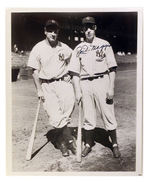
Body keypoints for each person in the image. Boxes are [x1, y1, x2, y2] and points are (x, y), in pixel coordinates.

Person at [69, 16, 121, 158]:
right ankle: (88, 144)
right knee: (88, 117)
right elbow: (74, 72)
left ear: (95, 28)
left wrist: (111, 88)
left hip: (102, 81)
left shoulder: (104, 44)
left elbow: (112, 68)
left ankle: (114, 144)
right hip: (85, 82)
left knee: (107, 113)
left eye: (91, 27)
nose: (88, 30)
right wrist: (77, 91)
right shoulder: (78, 48)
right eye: (86, 27)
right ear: (83, 29)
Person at [27, 19, 76, 157]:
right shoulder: (38, 48)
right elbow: (35, 71)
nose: (53, 33)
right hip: (47, 85)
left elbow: (74, 62)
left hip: (63, 83)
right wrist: (39, 89)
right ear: (45, 31)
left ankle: (61, 138)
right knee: (54, 114)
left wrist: (70, 74)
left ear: (58, 31)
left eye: (55, 30)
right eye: (50, 30)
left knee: (68, 109)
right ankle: (67, 141)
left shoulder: (64, 47)